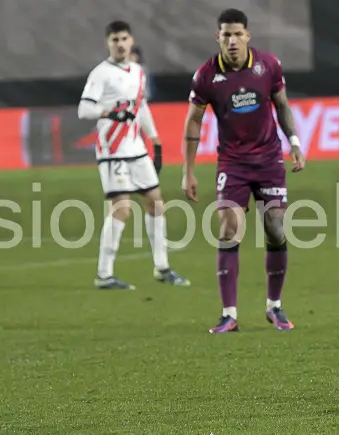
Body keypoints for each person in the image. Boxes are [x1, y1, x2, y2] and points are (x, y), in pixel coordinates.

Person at [181, 8, 305, 333]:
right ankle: (229, 314)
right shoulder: (206, 75)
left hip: (268, 159)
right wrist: (188, 171)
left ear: (248, 36)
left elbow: (282, 105)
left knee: (276, 228)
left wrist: (294, 141)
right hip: (232, 163)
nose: (232, 40)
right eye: (226, 35)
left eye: (238, 34)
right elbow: (194, 120)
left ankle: (274, 307)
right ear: (218, 37)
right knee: (229, 227)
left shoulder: (268, 65)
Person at [78, 20, 190, 290]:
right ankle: (104, 275)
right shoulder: (100, 74)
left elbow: (141, 107)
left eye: (124, 39)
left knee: (156, 203)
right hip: (113, 150)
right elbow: (84, 109)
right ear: (108, 43)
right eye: (114, 39)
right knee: (122, 209)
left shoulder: (138, 71)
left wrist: (155, 140)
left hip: (136, 148)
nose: (120, 44)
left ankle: (162, 267)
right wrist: (108, 113)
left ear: (131, 41)